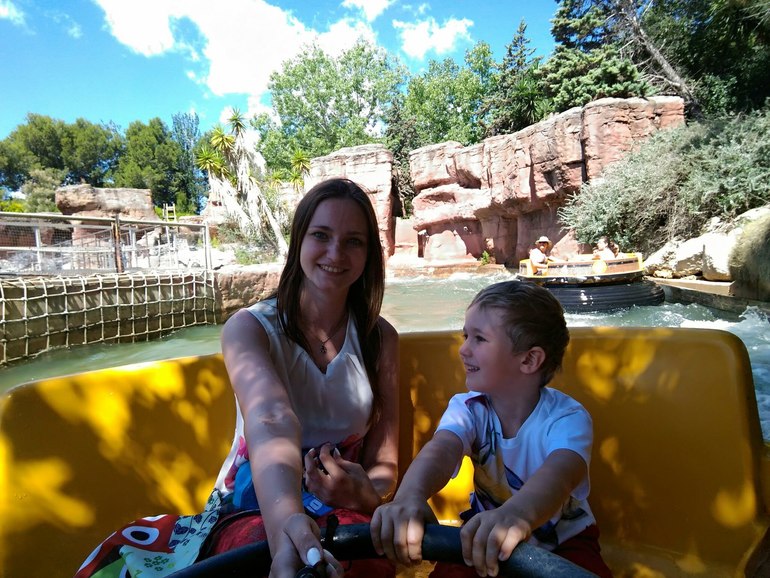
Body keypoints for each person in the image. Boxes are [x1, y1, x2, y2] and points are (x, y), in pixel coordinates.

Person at [74, 178, 400, 578]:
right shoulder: (249, 328)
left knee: (367, 559)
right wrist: (286, 528)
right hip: (253, 505)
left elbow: (384, 461)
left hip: (344, 505)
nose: (335, 253)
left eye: (354, 241)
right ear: (299, 241)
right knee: (262, 552)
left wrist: (367, 494)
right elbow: (271, 418)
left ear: (369, 254)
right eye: (321, 235)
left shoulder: (380, 339)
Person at [370, 280, 612, 578]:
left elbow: (560, 474)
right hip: (483, 538)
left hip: (563, 542)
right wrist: (409, 496)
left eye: (480, 339)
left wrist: (515, 516)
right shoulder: (468, 408)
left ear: (529, 359)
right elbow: (442, 450)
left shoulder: (567, 418)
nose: (463, 350)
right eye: (466, 336)